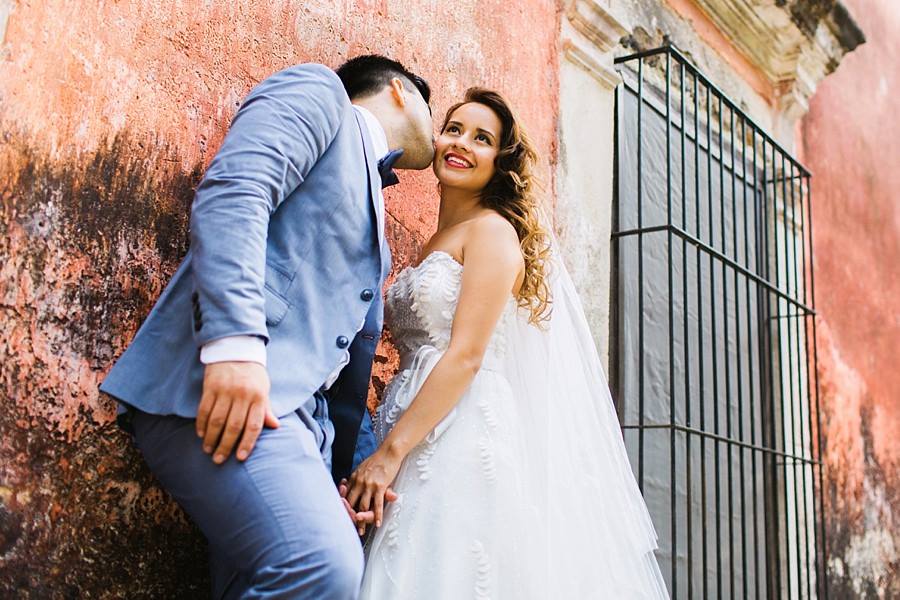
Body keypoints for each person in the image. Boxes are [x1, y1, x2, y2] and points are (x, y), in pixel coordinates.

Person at [99, 55, 433, 599]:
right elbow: (237, 191)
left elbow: (343, 359)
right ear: (399, 91)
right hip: (222, 391)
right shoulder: (322, 93)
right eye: (431, 106)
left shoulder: (377, 216)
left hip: (303, 430)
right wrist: (234, 348)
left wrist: (343, 474)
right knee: (323, 568)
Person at [344, 88, 670, 598]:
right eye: (454, 129)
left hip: (459, 429)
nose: (461, 144)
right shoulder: (433, 242)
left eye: (482, 139)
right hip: (410, 415)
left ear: (500, 162)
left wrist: (390, 452)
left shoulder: (492, 233)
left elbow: (468, 355)